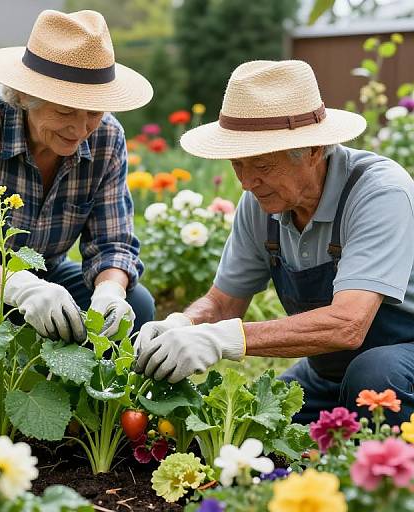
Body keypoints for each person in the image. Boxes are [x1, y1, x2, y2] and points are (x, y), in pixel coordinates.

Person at [135, 60, 414, 424]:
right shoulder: (260, 203)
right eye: (238, 164)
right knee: (254, 424)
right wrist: (183, 324)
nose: (247, 182)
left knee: (375, 375)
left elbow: (348, 324)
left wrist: (223, 339)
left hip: (398, 361)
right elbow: (223, 303)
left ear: (314, 150)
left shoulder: (379, 192)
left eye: (263, 165)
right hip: (328, 375)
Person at [0, 9, 155, 342]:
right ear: (22, 96)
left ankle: (88, 393)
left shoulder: (107, 137)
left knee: (136, 304)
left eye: (93, 112)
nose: (80, 129)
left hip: (44, 276)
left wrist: (110, 290)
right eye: (65, 111)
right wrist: (19, 287)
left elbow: (113, 245)